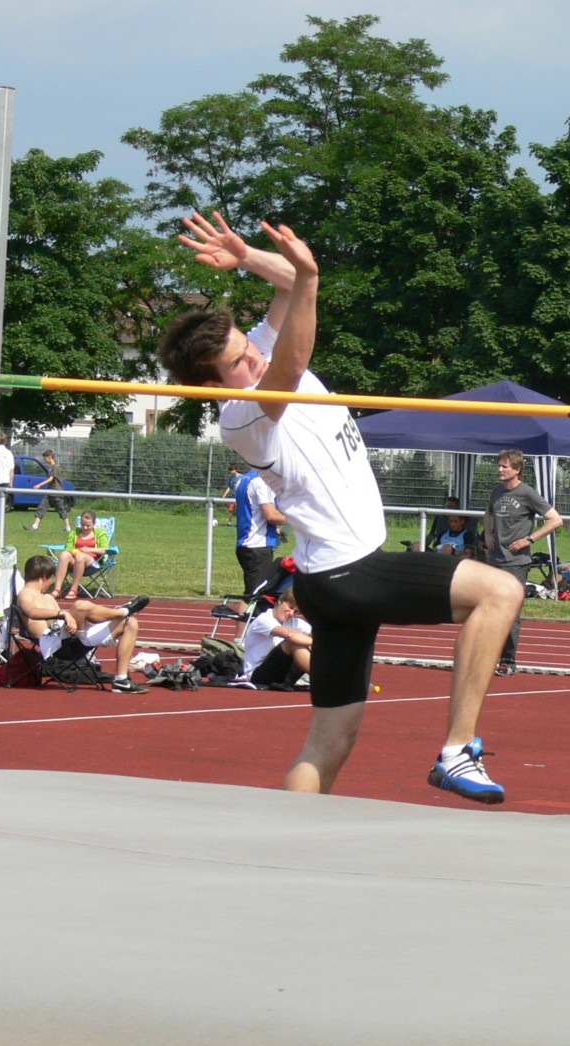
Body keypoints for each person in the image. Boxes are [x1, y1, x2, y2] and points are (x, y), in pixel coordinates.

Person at [157, 210, 524, 799]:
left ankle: (283, 841)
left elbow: (287, 287)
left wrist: (249, 257)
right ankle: (457, 752)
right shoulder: (243, 416)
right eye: (237, 363)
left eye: (248, 347)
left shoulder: (262, 352)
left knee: (328, 742)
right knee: (500, 591)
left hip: (328, 578)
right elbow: (292, 360)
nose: (253, 359)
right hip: (350, 571)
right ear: (211, 385)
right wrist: (308, 279)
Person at [15, 553, 150, 693]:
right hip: (56, 648)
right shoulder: (25, 594)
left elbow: (62, 621)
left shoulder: (48, 598)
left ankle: (121, 680)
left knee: (130, 623)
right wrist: (63, 613)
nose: (51, 582)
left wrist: (67, 616)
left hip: (72, 639)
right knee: (80, 606)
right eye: (51, 578)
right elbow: (32, 612)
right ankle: (122, 611)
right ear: (44, 576)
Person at [484, 449, 564, 676]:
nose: (500, 469)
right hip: (495, 559)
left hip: (516, 562)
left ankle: (508, 661)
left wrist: (529, 539)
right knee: (490, 610)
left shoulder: (527, 493)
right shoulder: (497, 491)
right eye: (499, 465)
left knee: (510, 612)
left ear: (517, 469)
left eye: (505, 466)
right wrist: (488, 533)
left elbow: (556, 520)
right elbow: (488, 513)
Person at [234, 467, 288, 597]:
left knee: (252, 595)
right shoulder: (263, 481)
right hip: (258, 546)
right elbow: (271, 515)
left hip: (246, 544)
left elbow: (251, 512)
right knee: (256, 597)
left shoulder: (243, 479)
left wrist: (274, 529)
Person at [242, 588, 312, 687]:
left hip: (282, 673)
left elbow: (317, 634)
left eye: (296, 612)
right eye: (290, 607)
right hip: (258, 676)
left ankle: (331, 675)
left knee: (312, 641)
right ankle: (324, 678)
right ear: (281, 600)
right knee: (292, 642)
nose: (291, 613)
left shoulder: (294, 622)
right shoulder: (264, 619)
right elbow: (290, 635)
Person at [52, 509, 110, 600]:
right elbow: (69, 548)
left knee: (80, 556)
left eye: (88, 525)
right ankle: (57, 589)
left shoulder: (100, 533)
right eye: (83, 525)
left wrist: (88, 549)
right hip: (75, 559)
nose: (85, 528)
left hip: (93, 562)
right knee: (64, 555)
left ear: (94, 523)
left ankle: (74, 589)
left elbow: (104, 550)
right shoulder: (74, 533)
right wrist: (74, 551)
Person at [24, 449, 73, 533]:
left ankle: (68, 528)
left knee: (61, 510)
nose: (45, 460)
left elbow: (51, 479)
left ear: (50, 457)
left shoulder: (55, 467)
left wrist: (39, 485)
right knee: (42, 507)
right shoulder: (51, 467)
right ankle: (35, 526)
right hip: (51, 492)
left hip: (56, 492)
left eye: (45, 458)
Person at [0, 430, 14, 526]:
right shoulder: (8, 453)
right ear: (5, 441)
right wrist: (11, 483)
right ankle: (0, 521)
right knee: (1, 502)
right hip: (4, 479)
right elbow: (11, 469)